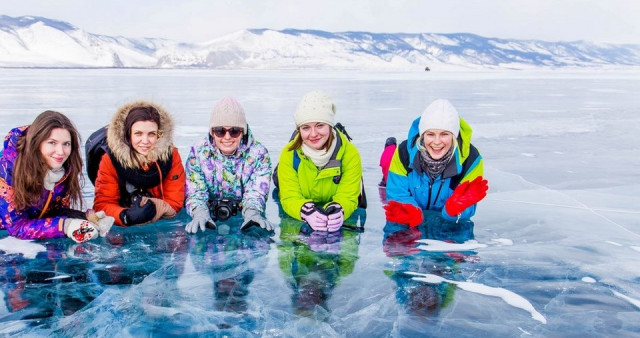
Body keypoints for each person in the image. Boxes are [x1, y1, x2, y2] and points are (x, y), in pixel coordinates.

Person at [0, 111, 113, 242]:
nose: (60, 152)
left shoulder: (63, 170)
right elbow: (17, 228)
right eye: (52, 143)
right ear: (36, 143)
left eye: (66, 144)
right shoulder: (7, 170)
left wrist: (85, 218)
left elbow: (54, 210)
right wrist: (66, 226)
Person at [385, 99, 487, 226]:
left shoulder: (471, 160)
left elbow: (469, 203)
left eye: (444, 134)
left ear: (454, 136)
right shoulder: (403, 153)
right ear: (422, 136)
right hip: (410, 224)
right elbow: (397, 193)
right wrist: (412, 212)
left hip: (452, 226)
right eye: (430, 134)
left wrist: (453, 210)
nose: (437, 142)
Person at [277, 90, 362, 232]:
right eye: (306, 128)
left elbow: (348, 195)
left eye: (320, 125)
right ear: (299, 130)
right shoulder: (289, 154)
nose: (313, 134)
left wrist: (340, 209)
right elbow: (289, 196)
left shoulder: (350, 154)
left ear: (330, 125)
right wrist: (304, 211)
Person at [184, 97, 273, 233]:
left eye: (234, 131)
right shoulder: (198, 152)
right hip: (209, 217)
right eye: (220, 131)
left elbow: (256, 192)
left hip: (243, 216)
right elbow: (195, 191)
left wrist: (252, 212)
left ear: (243, 132)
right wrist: (200, 211)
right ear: (212, 132)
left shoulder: (259, 154)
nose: (227, 137)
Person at [93, 100, 185, 226]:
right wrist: (126, 216)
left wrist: (153, 208)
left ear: (159, 135)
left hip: (159, 216)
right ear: (128, 135)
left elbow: (175, 201)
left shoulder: (171, 156)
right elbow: (102, 204)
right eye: (138, 134)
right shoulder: (110, 159)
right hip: (124, 212)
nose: (145, 141)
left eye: (151, 134)